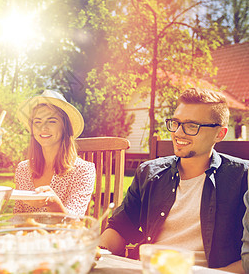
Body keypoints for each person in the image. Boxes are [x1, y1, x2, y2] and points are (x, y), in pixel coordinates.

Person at [99, 88, 248, 272]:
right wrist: (99, 253)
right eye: (176, 123)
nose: (178, 132)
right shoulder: (149, 173)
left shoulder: (243, 178)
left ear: (220, 134)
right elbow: (120, 228)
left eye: (192, 126)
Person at [13, 90, 95, 216]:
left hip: (63, 236)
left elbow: (73, 223)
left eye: (52, 121)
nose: (43, 128)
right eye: (37, 122)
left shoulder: (83, 170)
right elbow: (17, 216)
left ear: (65, 127)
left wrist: (52, 203)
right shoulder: (23, 169)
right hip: (27, 235)